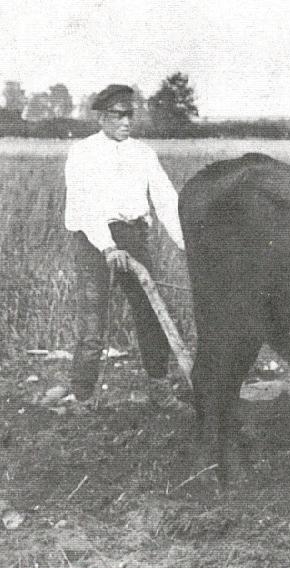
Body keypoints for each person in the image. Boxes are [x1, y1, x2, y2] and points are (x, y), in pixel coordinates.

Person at [64, 84, 185, 400]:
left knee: (153, 313)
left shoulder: (143, 153)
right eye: (119, 115)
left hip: (134, 238)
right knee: (93, 324)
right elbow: (83, 205)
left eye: (130, 114)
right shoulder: (82, 153)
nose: (127, 122)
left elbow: (166, 201)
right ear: (103, 117)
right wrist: (107, 246)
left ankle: (159, 388)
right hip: (94, 241)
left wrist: (186, 244)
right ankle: (82, 396)